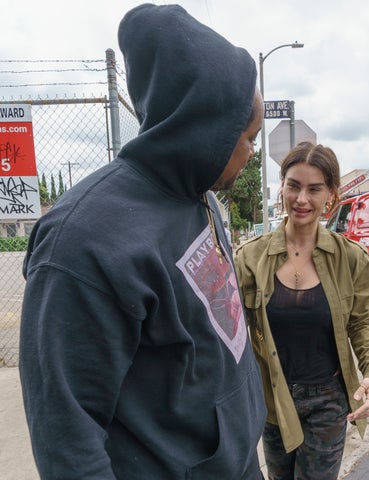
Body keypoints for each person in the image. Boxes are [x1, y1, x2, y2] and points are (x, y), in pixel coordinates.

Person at [19, 4, 266, 479]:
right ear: (206, 125)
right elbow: (65, 437)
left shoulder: (202, 200)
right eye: (249, 138)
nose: (252, 152)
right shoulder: (81, 243)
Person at [236, 142, 369, 479]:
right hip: (273, 397)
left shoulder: (350, 258)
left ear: (331, 195)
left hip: (328, 400)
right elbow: (232, 333)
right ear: (282, 188)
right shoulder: (250, 259)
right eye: (294, 186)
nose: (301, 199)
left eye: (314, 189)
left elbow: (362, 322)